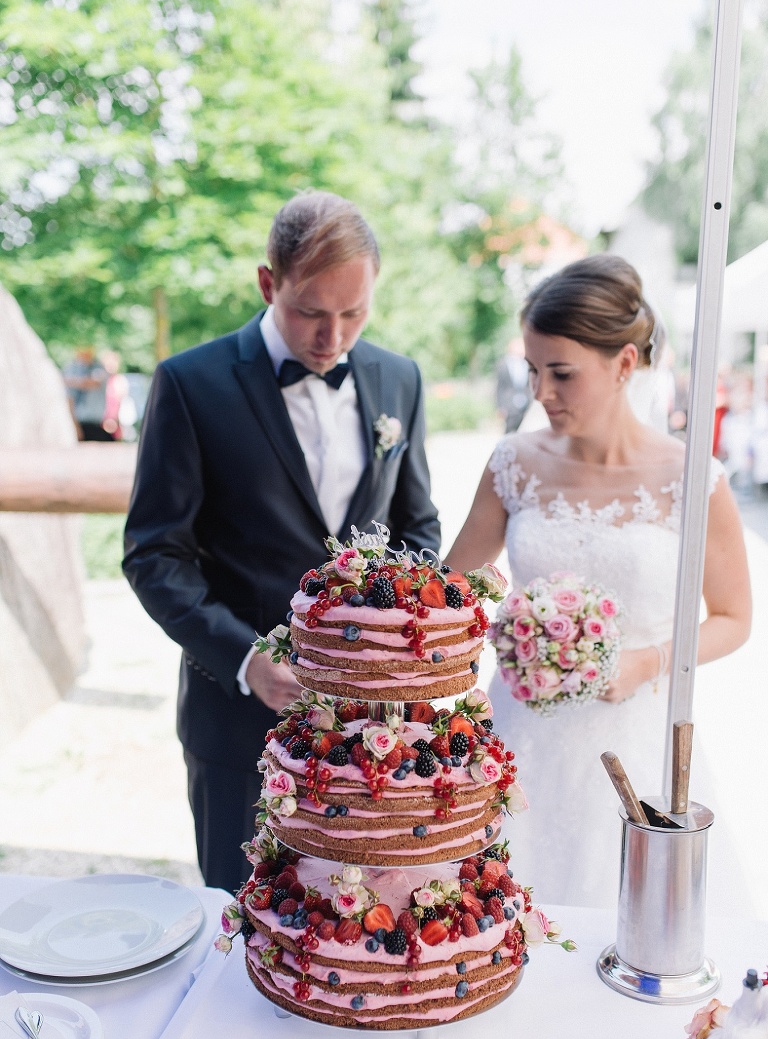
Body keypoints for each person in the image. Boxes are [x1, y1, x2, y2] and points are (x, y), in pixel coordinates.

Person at [123, 191, 440, 892]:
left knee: (351, 929)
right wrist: (245, 659)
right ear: (269, 285)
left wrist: (399, 639)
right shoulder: (189, 383)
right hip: (239, 727)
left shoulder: (398, 377)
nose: (333, 338)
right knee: (241, 921)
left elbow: (417, 525)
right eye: (310, 312)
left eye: (353, 313)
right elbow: (153, 553)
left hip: (372, 728)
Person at [445, 254, 751, 908]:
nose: (540, 394)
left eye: (561, 373)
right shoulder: (513, 463)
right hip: (518, 736)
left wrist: (650, 662)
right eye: (532, 371)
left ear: (625, 364)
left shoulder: (693, 476)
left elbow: (733, 617)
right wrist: (490, 616)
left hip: (636, 738)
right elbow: (453, 589)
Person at [62, 346, 113, 440]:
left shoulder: (98, 368)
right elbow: (70, 399)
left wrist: (67, 381)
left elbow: (93, 382)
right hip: (79, 422)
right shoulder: (72, 369)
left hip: (94, 423)